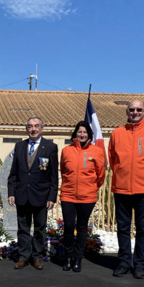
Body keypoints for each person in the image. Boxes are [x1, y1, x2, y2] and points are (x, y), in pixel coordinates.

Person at [109, 99, 144, 279]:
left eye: (138, 109)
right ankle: (124, 262)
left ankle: (140, 264)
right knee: (123, 228)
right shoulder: (117, 133)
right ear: (127, 112)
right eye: (132, 109)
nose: (135, 112)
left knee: (142, 229)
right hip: (122, 188)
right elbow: (113, 160)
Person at [8, 116, 59, 270]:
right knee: (22, 228)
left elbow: (53, 175)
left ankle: (37, 257)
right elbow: (14, 172)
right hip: (22, 194)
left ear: (41, 128)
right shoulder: (19, 146)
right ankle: (23, 256)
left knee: (39, 228)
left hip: (41, 195)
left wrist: (52, 196)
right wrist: (11, 192)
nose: (33, 129)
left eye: (36, 126)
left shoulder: (50, 147)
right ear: (27, 129)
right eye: (30, 126)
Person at [59, 121, 105, 273]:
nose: (82, 134)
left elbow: (101, 174)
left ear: (89, 135)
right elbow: (63, 171)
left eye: (85, 132)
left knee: (82, 227)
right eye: (79, 132)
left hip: (87, 197)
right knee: (69, 226)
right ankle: (67, 256)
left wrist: (92, 187)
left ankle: (78, 258)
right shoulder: (66, 150)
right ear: (75, 133)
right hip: (68, 195)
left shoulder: (96, 151)